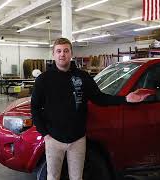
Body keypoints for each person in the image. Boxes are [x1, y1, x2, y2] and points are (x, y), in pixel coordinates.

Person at [31, 37, 147, 180]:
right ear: (53, 54)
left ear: (71, 53)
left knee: (77, 177)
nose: (62, 54)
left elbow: (100, 98)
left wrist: (125, 99)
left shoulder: (82, 77)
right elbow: (35, 108)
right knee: (53, 177)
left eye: (66, 51)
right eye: (59, 51)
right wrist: (45, 135)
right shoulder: (43, 79)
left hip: (77, 140)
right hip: (54, 140)